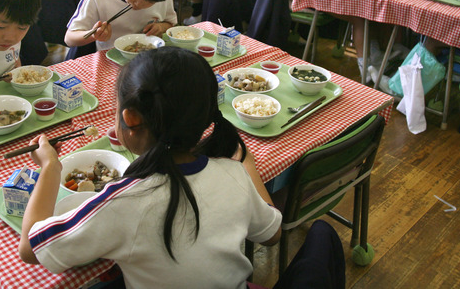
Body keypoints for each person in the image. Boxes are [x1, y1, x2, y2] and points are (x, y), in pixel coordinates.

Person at [18, 47, 282, 288]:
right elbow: (272, 234)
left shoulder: (123, 200)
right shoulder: (232, 174)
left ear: (130, 118)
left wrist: (51, 167)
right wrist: (247, 166)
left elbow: (31, 247)